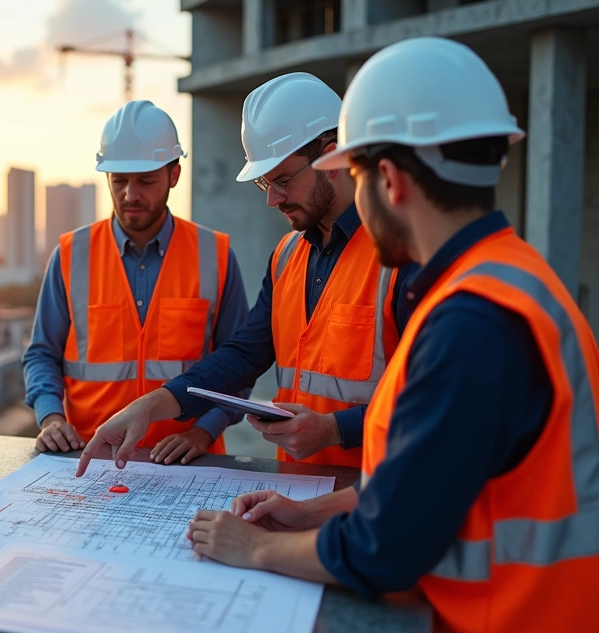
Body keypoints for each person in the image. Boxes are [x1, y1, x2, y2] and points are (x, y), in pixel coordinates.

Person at [186, 37, 599, 633]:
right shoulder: (517, 283)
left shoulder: (472, 323)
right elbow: (430, 480)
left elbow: (383, 548)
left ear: (390, 181)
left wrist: (252, 548)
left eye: (357, 174)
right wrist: (308, 511)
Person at [76, 73, 416, 474]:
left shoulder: (405, 254)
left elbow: (437, 398)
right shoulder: (287, 257)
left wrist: (333, 429)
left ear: (334, 156)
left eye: (284, 180)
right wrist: (149, 406)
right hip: (299, 490)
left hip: (380, 498)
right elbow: (242, 355)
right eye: (264, 183)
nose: (273, 199)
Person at [22, 100, 250, 465]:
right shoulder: (70, 254)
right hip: (88, 457)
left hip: (190, 462)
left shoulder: (216, 255)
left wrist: (202, 430)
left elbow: (240, 364)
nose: (131, 195)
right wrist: (51, 417)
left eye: (145, 181)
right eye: (119, 181)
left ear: (174, 175)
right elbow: (42, 353)